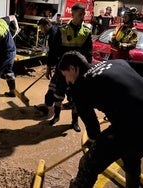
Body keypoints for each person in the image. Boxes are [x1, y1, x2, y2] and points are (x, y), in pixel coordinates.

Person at [58, 51, 143, 188]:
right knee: (131, 155)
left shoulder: (79, 86)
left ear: (73, 69)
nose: (67, 81)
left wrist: (94, 145)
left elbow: (92, 125)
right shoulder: (117, 63)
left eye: (65, 75)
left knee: (88, 164)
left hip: (132, 123)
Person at [48, 3, 92, 132]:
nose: (83, 16)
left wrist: (87, 70)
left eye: (84, 14)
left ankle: (74, 122)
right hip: (62, 69)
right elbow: (54, 51)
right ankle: (56, 116)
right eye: (80, 14)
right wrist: (49, 66)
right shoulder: (61, 30)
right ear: (72, 14)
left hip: (78, 72)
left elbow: (88, 54)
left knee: (76, 97)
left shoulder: (87, 31)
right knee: (58, 94)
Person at [34, 18, 59, 117]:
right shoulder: (55, 29)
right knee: (58, 87)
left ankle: (49, 110)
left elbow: (52, 53)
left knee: (53, 87)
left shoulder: (52, 35)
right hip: (62, 64)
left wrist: (48, 69)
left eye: (41, 28)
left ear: (46, 25)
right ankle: (51, 106)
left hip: (63, 66)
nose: (41, 30)